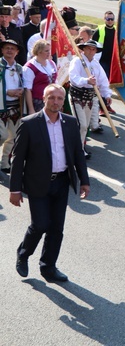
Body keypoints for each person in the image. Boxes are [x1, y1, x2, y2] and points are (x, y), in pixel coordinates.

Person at [11, 84, 90, 282]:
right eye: (52, 97)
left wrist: (84, 181)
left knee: (57, 228)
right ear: (44, 99)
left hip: (61, 182)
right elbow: (18, 158)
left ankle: (48, 267)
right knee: (40, 224)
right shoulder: (29, 124)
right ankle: (23, 253)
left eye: (60, 98)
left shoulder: (70, 123)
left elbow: (78, 154)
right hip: (38, 182)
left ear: (64, 101)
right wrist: (15, 189)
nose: (56, 102)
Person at [68, 40, 113, 159]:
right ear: (84, 49)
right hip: (77, 96)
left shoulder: (96, 64)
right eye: (88, 48)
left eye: (93, 49)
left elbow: (103, 80)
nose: (91, 51)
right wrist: (86, 81)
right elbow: (73, 77)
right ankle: (75, 150)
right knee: (81, 125)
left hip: (89, 97)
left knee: (85, 125)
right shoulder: (77, 61)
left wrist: (107, 94)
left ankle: (80, 149)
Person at [0, 39, 24, 173]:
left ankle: (4, 163)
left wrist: (21, 91)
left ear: (17, 52)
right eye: (7, 48)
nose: (10, 50)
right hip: (1, 107)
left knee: (13, 137)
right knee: (2, 135)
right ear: (2, 50)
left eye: (12, 48)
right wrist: (6, 92)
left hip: (15, 107)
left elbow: (24, 84)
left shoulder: (20, 68)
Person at [23, 39, 57, 114]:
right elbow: (27, 90)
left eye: (49, 50)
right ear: (39, 52)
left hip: (53, 100)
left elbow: (55, 82)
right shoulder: (30, 67)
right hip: (38, 102)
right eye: (46, 51)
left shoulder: (51, 63)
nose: (49, 53)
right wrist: (31, 109)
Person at [92, 10, 116, 80]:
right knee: (104, 78)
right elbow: (92, 45)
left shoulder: (117, 30)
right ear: (104, 19)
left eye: (112, 19)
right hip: (101, 59)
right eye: (108, 19)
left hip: (112, 60)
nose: (110, 21)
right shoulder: (99, 30)